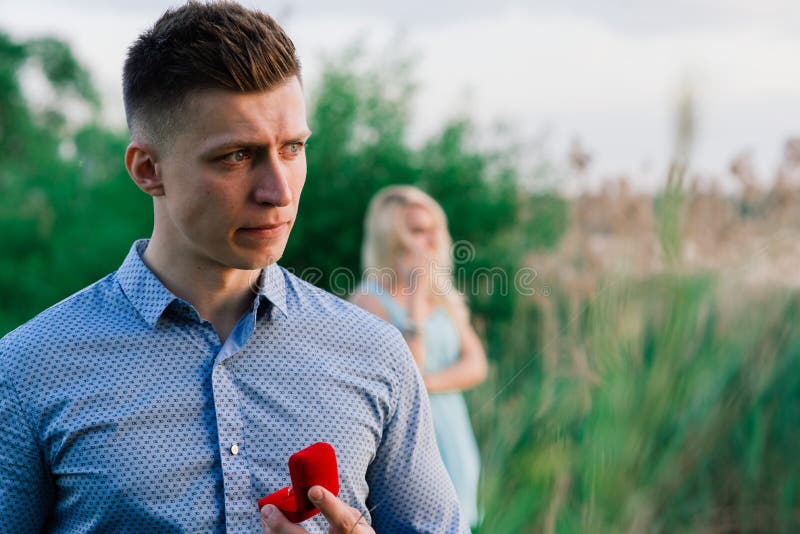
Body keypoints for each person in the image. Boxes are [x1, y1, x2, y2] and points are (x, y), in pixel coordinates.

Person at [0, 3, 468, 533]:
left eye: (292, 148)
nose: (280, 192)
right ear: (148, 170)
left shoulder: (376, 354)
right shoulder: (27, 372)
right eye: (236, 157)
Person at [351, 185, 488, 527]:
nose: (429, 242)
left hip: (453, 429)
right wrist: (413, 300)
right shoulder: (369, 301)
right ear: (391, 238)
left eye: (433, 231)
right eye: (416, 231)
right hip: (412, 441)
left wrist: (425, 384)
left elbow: (476, 365)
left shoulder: (442, 299)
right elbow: (404, 374)